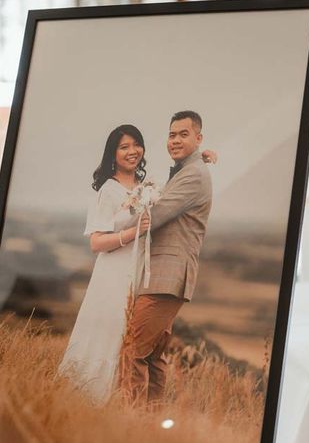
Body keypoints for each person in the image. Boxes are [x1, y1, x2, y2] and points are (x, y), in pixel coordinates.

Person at [121, 110, 212, 407]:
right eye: (171, 134)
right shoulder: (190, 169)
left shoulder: (194, 174)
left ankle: (129, 420)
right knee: (151, 355)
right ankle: (150, 419)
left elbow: (156, 215)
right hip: (163, 275)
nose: (174, 140)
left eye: (183, 134)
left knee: (132, 349)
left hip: (166, 275)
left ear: (198, 138)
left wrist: (114, 222)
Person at [57, 124, 152, 405]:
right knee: (107, 335)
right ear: (113, 153)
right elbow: (96, 243)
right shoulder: (107, 191)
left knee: (129, 339)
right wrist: (131, 233)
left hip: (138, 272)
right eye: (124, 147)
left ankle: (119, 402)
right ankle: (88, 398)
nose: (132, 151)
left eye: (136, 144)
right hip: (112, 276)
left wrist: (202, 158)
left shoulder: (145, 188)